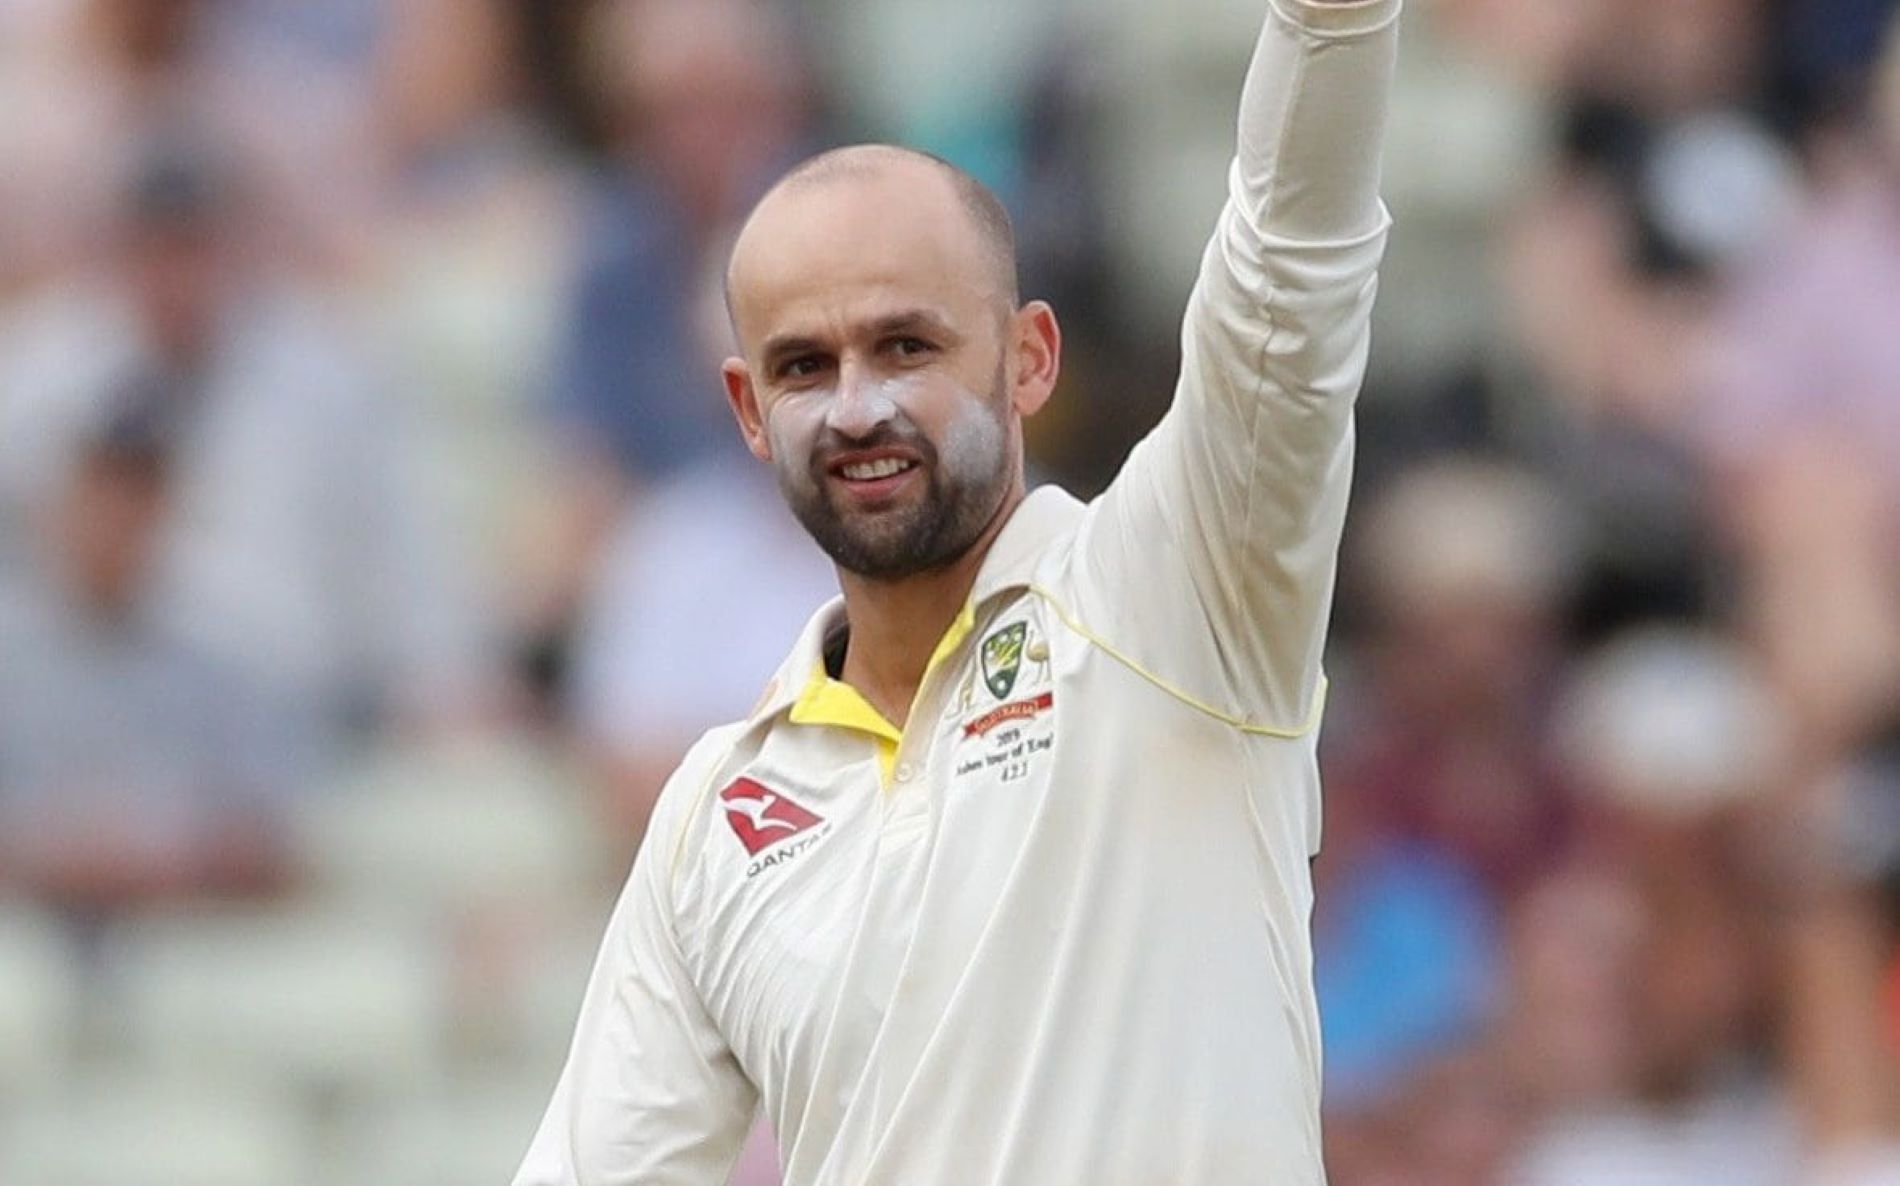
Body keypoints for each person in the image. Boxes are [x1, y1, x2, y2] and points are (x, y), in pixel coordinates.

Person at [515, 1, 1400, 1181]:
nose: (854, 407)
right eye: (803, 365)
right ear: (744, 409)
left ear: (1029, 355)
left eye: (905, 347)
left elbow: (1289, 272)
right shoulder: (718, 814)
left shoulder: (1178, 594)